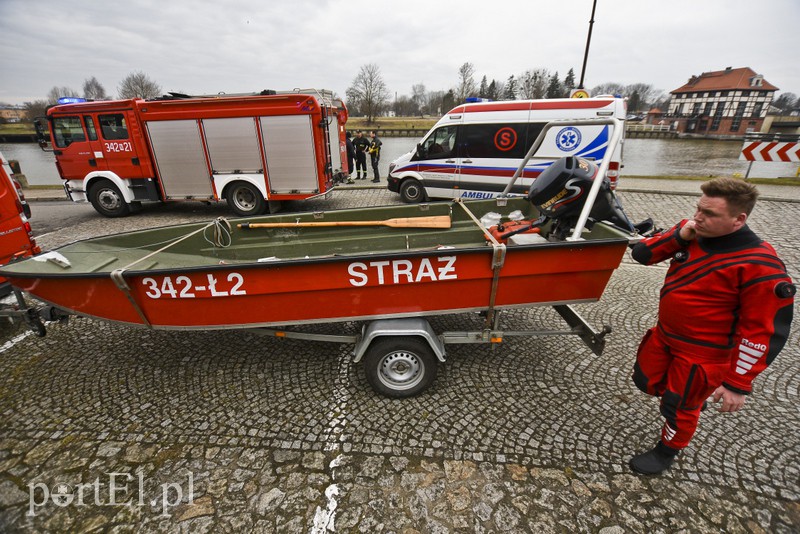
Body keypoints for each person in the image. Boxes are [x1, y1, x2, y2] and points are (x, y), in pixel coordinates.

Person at [628, 178, 794, 475]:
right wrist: (679, 236)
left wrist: (737, 383)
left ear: (738, 219)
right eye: (699, 209)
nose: (699, 217)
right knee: (645, 379)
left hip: (703, 355)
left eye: (711, 214)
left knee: (679, 406)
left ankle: (667, 450)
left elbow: (765, 330)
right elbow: (641, 254)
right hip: (665, 336)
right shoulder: (691, 231)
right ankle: (690, 398)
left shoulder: (760, 265)